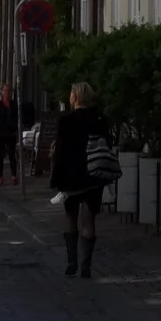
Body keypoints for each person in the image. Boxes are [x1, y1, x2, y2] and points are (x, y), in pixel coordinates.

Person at [50, 81, 112, 278]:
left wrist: (55, 179)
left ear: (75, 97)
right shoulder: (99, 120)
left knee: (71, 217)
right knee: (89, 219)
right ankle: (86, 266)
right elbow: (107, 145)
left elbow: (59, 152)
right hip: (93, 175)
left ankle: (71, 263)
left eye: (71, 94)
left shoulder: (66, 121)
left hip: (71, 176)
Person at [0, 83, 18, 186]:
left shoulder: (14, 104)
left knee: (12, 155)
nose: (7, 93)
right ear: (2, 92)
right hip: (0, 132)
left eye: (8, 91)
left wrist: (17, 128)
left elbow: (17, 117)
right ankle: (0, 176)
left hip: (11, 132)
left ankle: (14, 176)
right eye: (5, 91)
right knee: (0, 155)